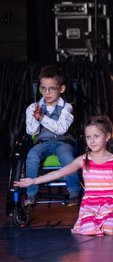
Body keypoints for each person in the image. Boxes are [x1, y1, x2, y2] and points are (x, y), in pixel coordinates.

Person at [16, 116, 113, 236]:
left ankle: (107, 221)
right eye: (88, 137)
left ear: (107, 136)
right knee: (88, 228)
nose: (92, 141)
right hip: (91, 204)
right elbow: (60, 172)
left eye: (96, 136)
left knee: (110, 228)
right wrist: (34, 181)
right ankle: (95, 222)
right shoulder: (83, 159)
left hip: (110, 203)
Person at [23, 65, 81, 206]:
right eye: (44, 88)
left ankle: (74, 191)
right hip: (42, 143)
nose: (47, 92)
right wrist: (36, 119)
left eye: (51, 88)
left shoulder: (66, 108)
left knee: (68, 157)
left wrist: (43, 118)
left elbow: (61, 129)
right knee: (32, 156)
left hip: (63, 143)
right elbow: (31, 132)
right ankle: (31, 193)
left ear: (61, 89)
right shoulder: (33, 107)